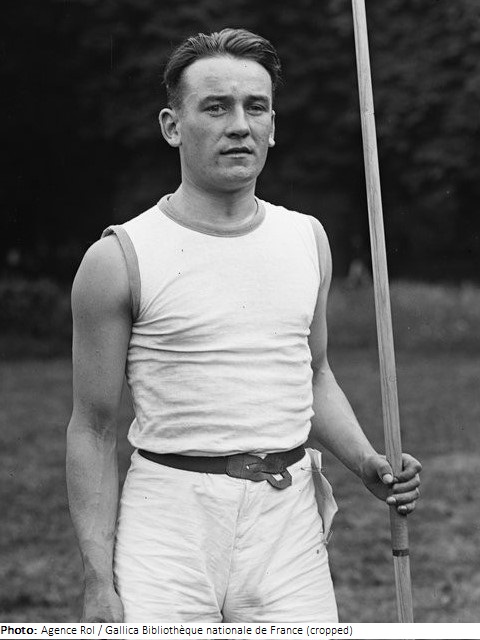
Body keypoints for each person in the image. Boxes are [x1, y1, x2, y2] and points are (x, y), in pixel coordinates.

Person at [66, 28, 421, 623]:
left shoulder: (306, 238)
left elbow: (312, 374)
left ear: (273, 126)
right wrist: (98, 581)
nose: (239, 125)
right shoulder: (119, 258)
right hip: (169, 527)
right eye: (216, 107)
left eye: (256, 107)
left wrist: (366, 462)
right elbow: (93, 430)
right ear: (172, 126)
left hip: (287, 527)